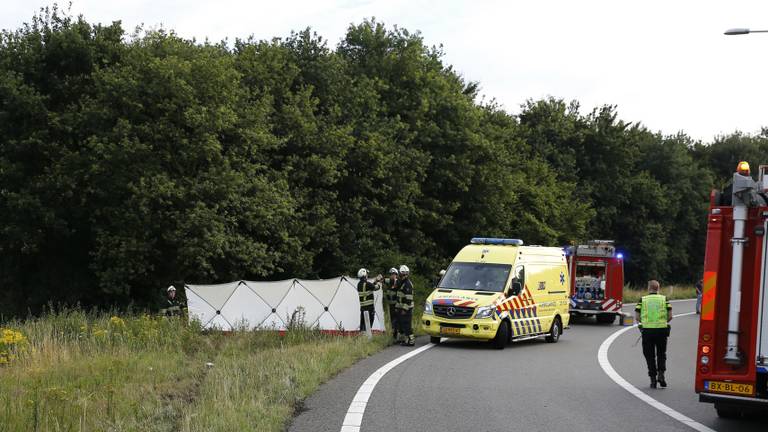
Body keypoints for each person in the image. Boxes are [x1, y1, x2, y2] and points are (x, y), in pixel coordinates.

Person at [635, 280, 673, 388]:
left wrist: (642, 326)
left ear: (648, 288)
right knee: (661, 354)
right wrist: (662, 322)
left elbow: (637, 317)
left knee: (649, 355)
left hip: (647, 331)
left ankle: (652, 379)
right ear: (658, 288)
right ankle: (661, 374)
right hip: (661, 331)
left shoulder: (642, 300)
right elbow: (670, 316)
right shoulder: (664, 299)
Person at [396, 264, 415, 346]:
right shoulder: (402, 282)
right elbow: (400, 296)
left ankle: (411, 341)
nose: (399, 276)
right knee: (403, 325)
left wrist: (404, 309)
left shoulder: (407, 284)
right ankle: (406, 340)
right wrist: (397, 307)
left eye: (399, 274)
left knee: (407, 325)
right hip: (402, 308)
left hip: (406, 309)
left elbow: (408, 299)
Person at [384, 267, 400, 342]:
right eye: (391, 274)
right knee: (392, 320)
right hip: (391, 305)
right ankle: (394, 335)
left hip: (397, 305)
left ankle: (397, 335)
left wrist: (383, 279)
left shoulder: (397, 281)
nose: (392, 276)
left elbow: (392, 281)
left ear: (396, 275)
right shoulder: (389, 282)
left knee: (396, 320)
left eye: (394, 274)